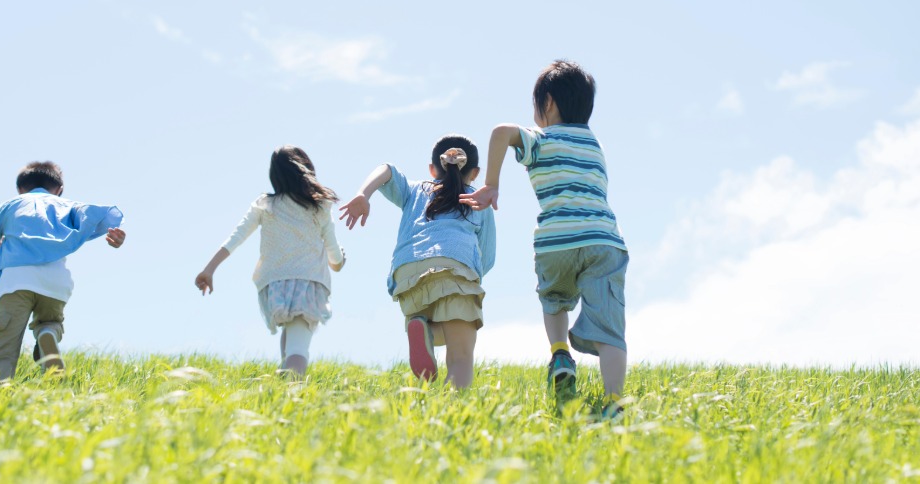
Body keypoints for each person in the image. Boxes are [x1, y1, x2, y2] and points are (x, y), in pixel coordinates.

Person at [460, 60, 629, 412]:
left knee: (554, 298)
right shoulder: (594, 145)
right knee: (611, 330)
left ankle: (560, 354)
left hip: (556, 242)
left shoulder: (542, 138)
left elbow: (501, 132)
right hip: (603, 240)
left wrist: (491, 184)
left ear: (548, 103)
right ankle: (614, 403)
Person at [339, 135, 495, 389]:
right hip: (455, 269)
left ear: (432, 169)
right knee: (461, 356)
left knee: (440, 328)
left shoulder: (416, 190)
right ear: (475, 173)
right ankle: (453, 414)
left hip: (408, 275)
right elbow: (486, 256)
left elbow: (387, 170)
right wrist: (473, 284)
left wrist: (363, 194)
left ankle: (424, 331)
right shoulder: (478, 201)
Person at [195, 146, 346, 378]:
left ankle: (284, 382)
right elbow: (334, 254)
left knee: (290, 341)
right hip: (308, 285)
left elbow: (236, 238)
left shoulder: (265, 205)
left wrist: (209, 269)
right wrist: (338, 261)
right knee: (298, 347)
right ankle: (292, 391)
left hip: (276, 286)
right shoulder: (319, 206)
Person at [0, 161, 126, 381]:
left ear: (20, 189)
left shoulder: (11, 205)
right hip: (55, 283)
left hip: (16, 281)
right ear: (59, 190)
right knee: (51, 323)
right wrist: (116, 239)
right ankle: (47, 334)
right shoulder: (68, 206)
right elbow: (101, 217)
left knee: (4, 341)